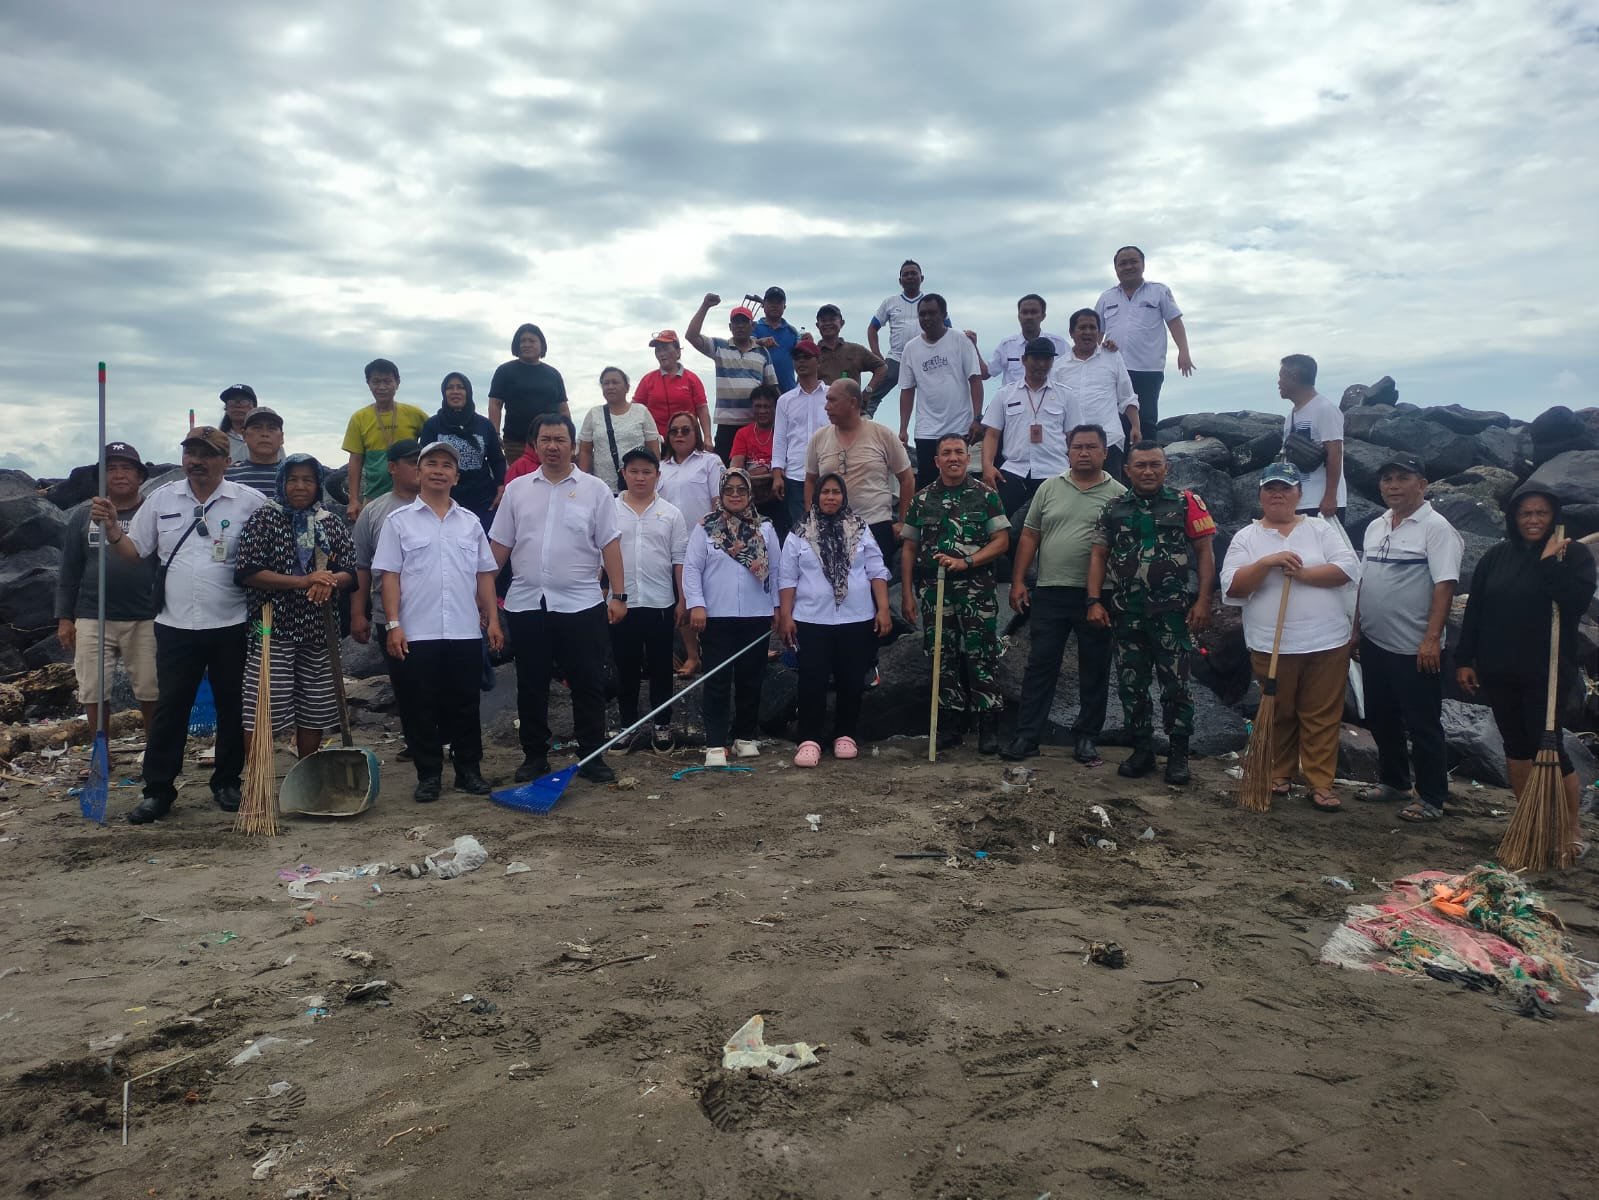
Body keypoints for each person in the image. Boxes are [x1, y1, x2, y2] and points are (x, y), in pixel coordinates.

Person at [90, 426, 267, 823]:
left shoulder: (251, 502)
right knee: (170, 709)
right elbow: (135, 552)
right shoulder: (161, 499)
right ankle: (158, 791)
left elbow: (271, 553)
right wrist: (114, 529)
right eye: (190, 453)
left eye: (206, 454)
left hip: (232, 623)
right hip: (174, 625)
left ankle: (227, 782)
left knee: (232, 706)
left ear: (227, 461)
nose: (196, 461)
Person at [1457, 482, 1596, 850]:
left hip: (1546, 671)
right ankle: (1529, 820)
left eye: (1541, 513)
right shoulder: (1496, 556)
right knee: (1515, 745)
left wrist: (1549, 563)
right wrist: (1464, 659)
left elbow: (1574, 602)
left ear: (1554, 516)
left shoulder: (1572, 556)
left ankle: (1570, 831)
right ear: (1514, 518)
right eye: (1525, 513)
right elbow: (1476, 610)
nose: (1533, 520)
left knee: (1549, 746)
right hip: (1498, 667)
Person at [490, 413, 625, 786]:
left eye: (560, 440)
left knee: (587, 682)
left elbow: (610, 544)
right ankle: (535, 755)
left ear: (572, 446)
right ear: (535, 445)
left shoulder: (595, 490)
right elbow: (499, 547)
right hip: (527, 603)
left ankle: (592, 755)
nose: (552, 446)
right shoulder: (517, 490)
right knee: (531, 683)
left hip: (581, 603)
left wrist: (619, 594)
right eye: (545, 440)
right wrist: (481, 597)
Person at [1220, 463, 1359, 810]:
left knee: (1321, 714)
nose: (1278, 494)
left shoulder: (1320, 528)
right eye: (1270, 488)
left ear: (1299, 494)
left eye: (1285, 488)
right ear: (1260, 495)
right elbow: (1233, 588)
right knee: (1279, 711)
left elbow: (1347, 569)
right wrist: (1266, 563)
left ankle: (1320, 783)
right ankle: (1279, 773)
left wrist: (1303, 574)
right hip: (1271, 643)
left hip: (1327, 641)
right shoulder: (1246, 537)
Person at [373, 441, 503, 801]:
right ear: (418, 473)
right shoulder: (398, 522)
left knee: (465, 704)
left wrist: (493, 620)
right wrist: (393, 624)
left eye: (447, 465)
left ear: (456, 477)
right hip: (417, 630)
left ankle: (468, 771)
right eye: (431, 463)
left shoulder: (470, 523)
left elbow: (484, 576)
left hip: (464, 629)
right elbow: (390, 577)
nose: (439, 471)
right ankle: (428, 775)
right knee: (419, 705)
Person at [1087, 442, 1216, 784]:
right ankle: (1142, 749)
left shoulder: (1186, 503)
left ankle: (1178, 754)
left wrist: (1204, 601)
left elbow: (1205, 552)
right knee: (1132, 684)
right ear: (1127, 471)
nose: (1148, 471)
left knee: (1176, 685)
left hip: (1171, 614)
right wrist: (1094, 600)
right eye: (1141, 465)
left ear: (1166, 468)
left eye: (1155, 464)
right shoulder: (1113, 507)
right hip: (1126, 612)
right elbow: (1098, 555)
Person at [1003, 424, 1127, 763]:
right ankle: (1027, 736)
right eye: (1077, 447)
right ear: (1067, 451)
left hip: (1099, 595)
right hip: (1050, 590)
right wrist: (1018, 581)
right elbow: (1030, 535)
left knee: (1095, 667)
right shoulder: (1049, 488)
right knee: (1040, 665)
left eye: (1091, 447)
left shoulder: (1119, 493)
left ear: (1105, 452)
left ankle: (1086, 737)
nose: (1084, 452)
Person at [1353, 453, 1463, 822]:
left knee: (1423, 723)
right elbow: (1365, 581)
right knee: (1381, 715)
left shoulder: (1437, 528)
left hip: (1415, 647)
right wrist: (1356, 629)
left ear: (1423, 484)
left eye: (1403, 478)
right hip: (1374, 640)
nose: (1393, 486)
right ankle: (1395, 781)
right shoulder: (1376, 525)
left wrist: (1432, 638)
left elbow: (1445, 586)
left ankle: (1431, 796)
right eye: (1387, 479)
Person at [235, 455, 358, 761]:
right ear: (282, 483)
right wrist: (304, 581)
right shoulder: (264, 519)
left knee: (314, 705)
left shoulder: (330, 522)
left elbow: (350, 572)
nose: (300, 486)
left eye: (308, 480)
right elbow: (248, 572)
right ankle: (257, 776)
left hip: (319, 628)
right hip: (270, 626)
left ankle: (307, 770)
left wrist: (328, 580)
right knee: (263, 703)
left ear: (317, 485)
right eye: (293, 480)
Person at [900, 435, 1010, 753]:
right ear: (936, 461)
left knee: (982, 654)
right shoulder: (922, 500)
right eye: (946, 453)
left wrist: (968, 561)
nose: (953, 458)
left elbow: (1002, 541)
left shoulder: (986, 496)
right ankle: (950, 724)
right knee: (940, 655)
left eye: (959, 452)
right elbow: (909, 548)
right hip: (935, 590)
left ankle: (988, 724)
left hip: (976, 589)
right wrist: (906, 593)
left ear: (967, 457)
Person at [777, 474, 893, 766]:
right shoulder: (799, 532)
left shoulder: (860, 528)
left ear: (844, 496)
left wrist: (883, 609)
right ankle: (809, 739)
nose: (830, 497)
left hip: (856, 617)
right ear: (816, 496)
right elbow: (788, 577)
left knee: (851, 679)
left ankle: (845, 735)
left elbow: (876, 569)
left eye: (836, 492)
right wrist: (786, 616)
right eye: (825, 492)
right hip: (811, 619)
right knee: (812, 681)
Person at [56, 441, 159, 743]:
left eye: (126, 468)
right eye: (111, 469)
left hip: (146, 615)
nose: (119, 475)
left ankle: (156, 751)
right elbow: (69, 569)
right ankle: (100, 752)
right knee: (93, 689)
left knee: (150, 688)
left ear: (140, 476)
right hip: (93, 615)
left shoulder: (154, 513)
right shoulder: (82, 516)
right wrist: (64, 617)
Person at [682, 468, 781, 767]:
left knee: (751, 678)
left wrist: (777, 608)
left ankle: (744, 736)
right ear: (721, 494)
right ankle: (715, 741)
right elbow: (692, 568)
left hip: (756, 614)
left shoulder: (765, 528)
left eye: (741, 490)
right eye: (729, 490)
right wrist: (697, 604)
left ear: (750, 494)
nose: (735, 495)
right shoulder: (705, 527)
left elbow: (777, 571)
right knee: (717, 680)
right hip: (716, 616)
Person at [612, 449, 689, 752]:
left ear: (658, 475)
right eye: (634, 471)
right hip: (621, 603)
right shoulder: (609, 510)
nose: (640, 477)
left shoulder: (671, 513)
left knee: (661, 668)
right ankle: (627, 726)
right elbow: (598, 555)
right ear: (624, 474)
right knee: (626, 667)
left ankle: (662, 725)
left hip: (660, 602)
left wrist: (682, 600)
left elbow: (679, 560)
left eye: (647, 472)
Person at [350, 439, 421, 758]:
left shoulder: (445, 506)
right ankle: (416, 742)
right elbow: (361, 567)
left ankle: (446, 738)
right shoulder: (374, 512)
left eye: (421, 460)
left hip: (435, 614)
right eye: (411, 462)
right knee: (405, 683)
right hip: (390, 615)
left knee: (444, 680)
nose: (418, 468)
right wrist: (358, 614)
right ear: (392, 467)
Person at [804, 378, 915, 580]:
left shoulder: (882, 434)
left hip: (875, 526)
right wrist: (811, 520)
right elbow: (811, 480)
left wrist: (902, 521)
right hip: (832, 527)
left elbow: (907, 478)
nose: (826, 407)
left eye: (832, 400)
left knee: (876, 589)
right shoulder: (819, 438)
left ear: (853, 402)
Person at [1095, 245, 1194, 431]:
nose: (1128, 267)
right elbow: (1096, 332)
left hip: (1147, 368)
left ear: (1143, 264)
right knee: (1115, 420)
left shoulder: (1159, 291)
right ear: (1115, 268)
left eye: (1133, 262)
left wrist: (1184, 352)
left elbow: (1174, 322)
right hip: (1114, 367)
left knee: (1146, 418)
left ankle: (1147, 450)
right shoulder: (1106, 297)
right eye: (1123, 263)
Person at [657, 411, 723, 677]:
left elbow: (719, 501)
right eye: (674, 431)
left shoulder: (710, 461)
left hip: (705, 541)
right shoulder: (660, 468)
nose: (680, 435)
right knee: (681, 601)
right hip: (670, 544)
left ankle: (718, 653)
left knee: (712, 600)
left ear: (696, 433)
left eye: (686, 430)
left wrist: (718, 539)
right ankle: (693, 656)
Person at [980, 336, 1073, 517]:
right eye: (1036, 358)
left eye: (1046, 359)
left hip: (1055, 472)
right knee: (1007, 525)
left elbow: (1073, 436)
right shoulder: (1004, 394)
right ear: (1023, 360)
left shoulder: (1066, 395)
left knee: (1053, 526)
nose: (1041, 364)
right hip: (1014, 472)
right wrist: (987, 466)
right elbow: (992, 434)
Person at [898, 294, 984, 488]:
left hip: (959, 426)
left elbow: (975, 379)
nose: (927, 318)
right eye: (922, 314)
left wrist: (977, 418)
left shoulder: (961, 340)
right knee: (928, 484)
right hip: (926, 430)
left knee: (959, 481)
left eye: (932, 313)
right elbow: (907, 390)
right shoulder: (911, 348)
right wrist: (903, 428)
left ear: (944, 314)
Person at [686, 294, 778, 462]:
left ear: (752, 325)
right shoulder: (719, 347)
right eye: (736, 322)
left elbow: (772, 389)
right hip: (726, 425)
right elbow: (691, 336)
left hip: (754, 425)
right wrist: (705, 306)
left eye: (744, 322)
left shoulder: (762, 352)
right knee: (724, 472)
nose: (740, 326)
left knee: (755, 469)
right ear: (730, 326)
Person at [1050, 309, 1139, 479]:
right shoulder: (1059, 367)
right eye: (1082, 327)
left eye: (1092, 327)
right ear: (1071, 332)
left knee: (1111, 491)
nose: (1088, 332)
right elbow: (1053, 404)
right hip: (1071, 444)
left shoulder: (1113, 357)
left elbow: (1127, 396)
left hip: (1109, 440)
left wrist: (1136, 426)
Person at [342, 358, 427, 522]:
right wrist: (353, 500)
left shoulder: (414, 414)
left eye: (387, 381)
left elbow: (432, 445)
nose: (381, 387)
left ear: (397, 383)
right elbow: (356, 460)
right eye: (376, 382)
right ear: (368, 384)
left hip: (412, 495)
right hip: (374, 496)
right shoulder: (359, 418)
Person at [419, 372, 506, 524]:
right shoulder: (432, 425)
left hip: (482, 500)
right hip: (444, 500)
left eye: (460, 387)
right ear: (444, 393)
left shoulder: (484, 425)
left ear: (468, 392)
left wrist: (501, 485)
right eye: (450, 388)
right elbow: (423, 461)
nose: (455, 391)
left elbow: (497, 459)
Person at [488, 323, 570, 467]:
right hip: (516, 442)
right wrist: (494, 434)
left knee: (552, 475)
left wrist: (569, 435)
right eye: (522, 341)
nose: (526, 344)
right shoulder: (505, 371)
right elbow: (495, 404)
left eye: (531, 341)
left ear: (542, 345)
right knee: (519, 478)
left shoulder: (553, 374)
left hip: (551, 441)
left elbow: (563, 408)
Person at [868, 259, 942, 416]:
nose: (909, 277)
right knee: (872, 393)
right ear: (900, 280)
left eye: (913, 273)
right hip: (896, 358)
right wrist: (876, 355)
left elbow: (947, 329)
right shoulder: (890, 302)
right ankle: (863, 418)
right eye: (905, 274)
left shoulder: (931, 303)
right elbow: (872, 328)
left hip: (927, 359)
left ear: (922, 278)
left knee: (936, 395)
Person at [771, 341, 830, 533]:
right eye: (797, 358)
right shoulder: (785, 400)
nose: (801, 361)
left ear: (818, 361)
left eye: (806, 357)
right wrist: (777, 474)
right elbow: (780, 439)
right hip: (796, 475)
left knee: (831, 528)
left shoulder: (832, 395)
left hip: (828, 472)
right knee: (803, 531)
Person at [1278, 354, 1346, 519]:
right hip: (1297, 501)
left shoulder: (1325, 409)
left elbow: (1335, 452)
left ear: (1294, 378)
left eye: (1281, 377)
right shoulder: (1291, 416)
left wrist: (1330, 496)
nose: (1278, 383)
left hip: (1320, 501)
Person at [578, 366, 659, 494]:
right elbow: (585, 451)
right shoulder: (594, 414)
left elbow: (653, 448)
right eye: (606, 383)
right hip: (602, 487)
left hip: (637, 485)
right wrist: (582, 480)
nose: (610, 387)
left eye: (615, 382)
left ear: (627, 387)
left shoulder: (641, 412)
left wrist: (653, 480)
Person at [633, 330, 712, 446]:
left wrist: (708, 438)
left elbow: (702, 409)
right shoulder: (647, 380)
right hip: (657, 443)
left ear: (678, 352)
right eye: (658, 350)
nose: (661, 353)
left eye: (665, 349)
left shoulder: (692, 379)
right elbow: (635, 410)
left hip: (687, 442)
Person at [731, 384, 784, 539]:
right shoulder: (742, 434)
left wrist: (763, 473)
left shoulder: (783, 432)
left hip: (779, 496)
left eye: (767, 406)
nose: (762, 411)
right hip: (751, 498)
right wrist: (764, 473)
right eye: (758, 406)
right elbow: (735, 469)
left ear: (775, 408)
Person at [986, 295, 1067, 387]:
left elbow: (1072, 370)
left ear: (1043, 316)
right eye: (1024, 312)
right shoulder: (1007, 345)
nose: (1029, 317)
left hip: (1050, 395)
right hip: (1013, 396)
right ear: (1019, 316)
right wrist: (974, 347)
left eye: (1034, 312)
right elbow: (987, 373)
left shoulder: (1059, 344)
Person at [813, 304, 884, 394]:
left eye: (832, 319)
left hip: (852, 402)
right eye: (823, 320)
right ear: (817, 325)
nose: (827, 323)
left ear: (842, 323)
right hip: (821, 402)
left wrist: (868, 391)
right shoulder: (811, 354)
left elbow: (882, 367)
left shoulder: (855, 350)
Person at [225, 406, 287, 495]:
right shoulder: (226, 476)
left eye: (272, 429)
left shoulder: (292, 476)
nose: (265, 434)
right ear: (244, 435)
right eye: (257, 428)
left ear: (281, 437)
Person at [753, 285, 800, 393]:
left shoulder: (793, 332)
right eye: (771, 302)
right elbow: (744, 344)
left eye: (779, 302)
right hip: (760, 393)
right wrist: (760, 342)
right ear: (763, 304)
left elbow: (802, 357)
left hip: (788, 392)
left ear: (784, 307)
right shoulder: (753, 328)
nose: (774, 305)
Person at [218, 384, 277, 465]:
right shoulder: (218, 440)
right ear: (226, 408)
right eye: (232, 401)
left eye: (243, 401)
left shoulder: (269, 440)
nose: (238, 405)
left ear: (254, 407)